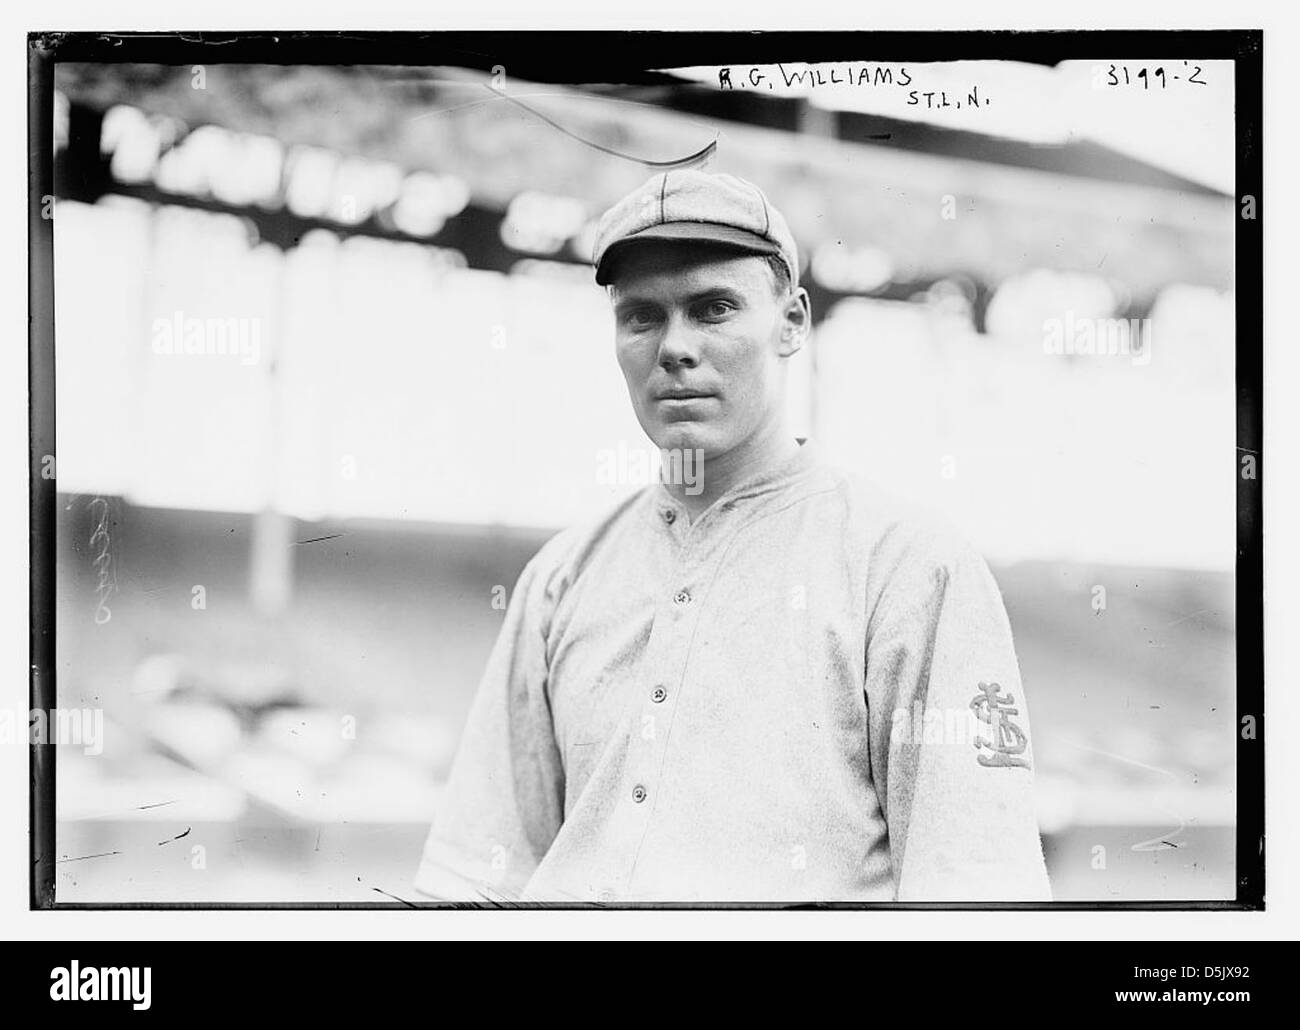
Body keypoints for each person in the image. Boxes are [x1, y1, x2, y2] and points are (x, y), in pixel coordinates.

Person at [413, 169, 1051, 903]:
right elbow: (473, 882)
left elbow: (973, 891)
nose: (674, 347)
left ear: (792, 323)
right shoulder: (562, 576)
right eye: (643, 316)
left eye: (713, 308)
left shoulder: (907, 566)